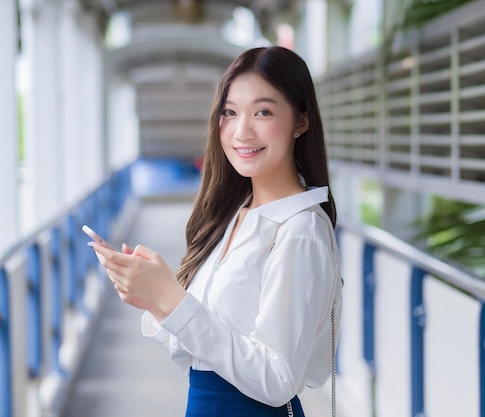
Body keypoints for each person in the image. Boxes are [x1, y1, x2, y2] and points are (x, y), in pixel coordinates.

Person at [86, 46, 343, 417]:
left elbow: (276, 380)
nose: (242, 131)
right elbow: (202, 360)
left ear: (301, 121)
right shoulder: (237, 215)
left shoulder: (299, 231)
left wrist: (173, 299)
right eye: (230, 112)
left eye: (263, 112)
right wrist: (156, 303)